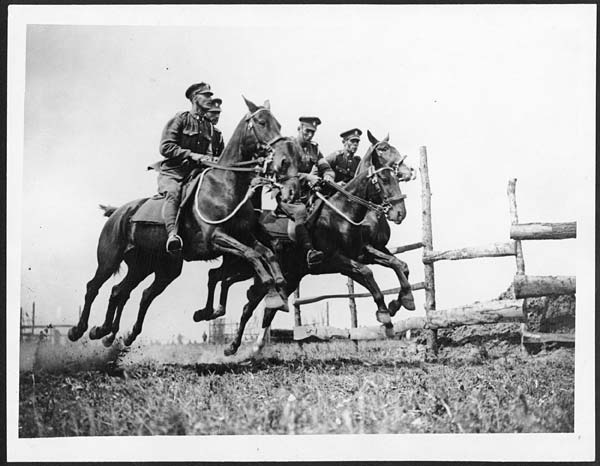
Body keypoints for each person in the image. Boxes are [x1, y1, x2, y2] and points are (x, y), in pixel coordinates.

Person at [149, 82, 220, 253]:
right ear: (195, 98)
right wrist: (192, 155)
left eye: (211, 95)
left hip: (195, 173)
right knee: (173, 193)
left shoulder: (209, 127)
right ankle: (173, 235)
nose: (210, 99)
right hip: (173, 172)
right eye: (206, 95)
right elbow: (165, 147)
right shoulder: (181, 119)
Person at [277, 116, 335, 268]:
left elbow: (326, 168)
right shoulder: (288, 146)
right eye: (307, 131)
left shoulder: (314, 148)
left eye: (313, 132)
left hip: (308, 193)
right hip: (288, 192)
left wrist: (328, 176)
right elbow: (283, 174)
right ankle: (309, 251)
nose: (310, 135)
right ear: (299, 129)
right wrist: (308, 177)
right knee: (300, 211)